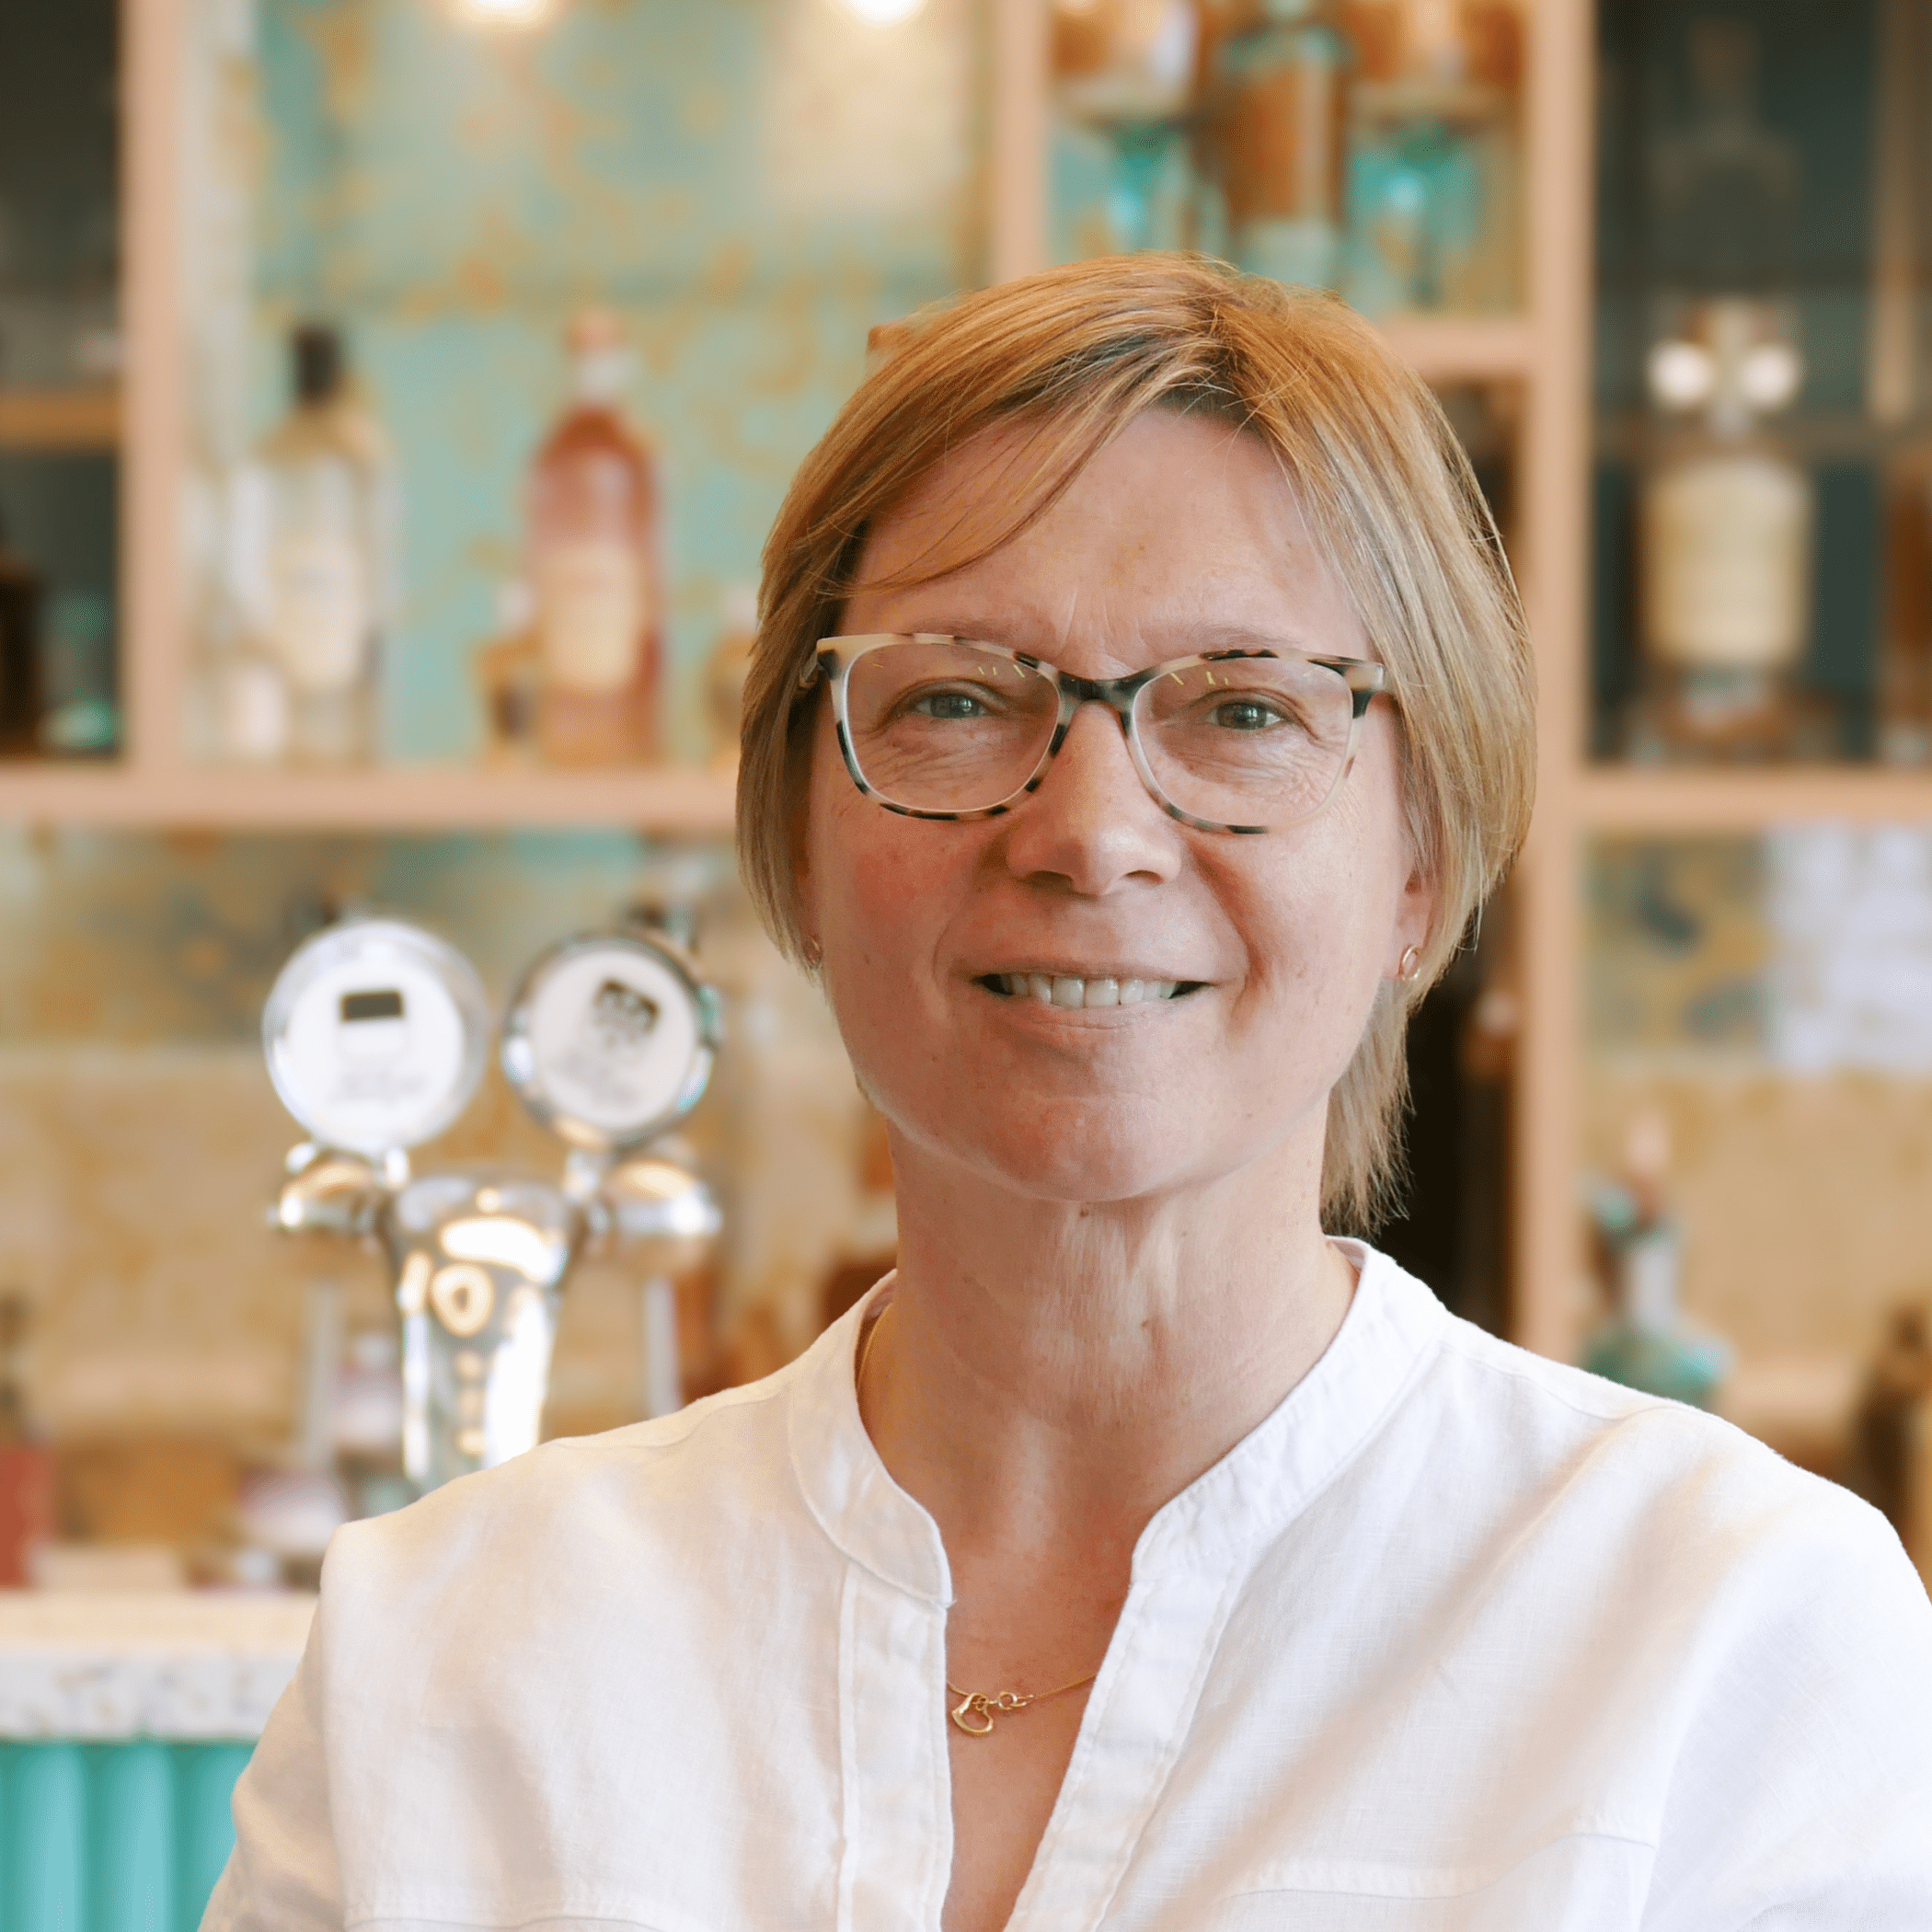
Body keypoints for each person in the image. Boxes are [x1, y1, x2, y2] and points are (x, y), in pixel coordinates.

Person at [205, 257, 1932, 1932]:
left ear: (1421, 865)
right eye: (958, 698)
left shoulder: (1729, 1635)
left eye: (1245, 710)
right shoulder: (432, 1661)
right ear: (798, 841)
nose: (1091, 832)